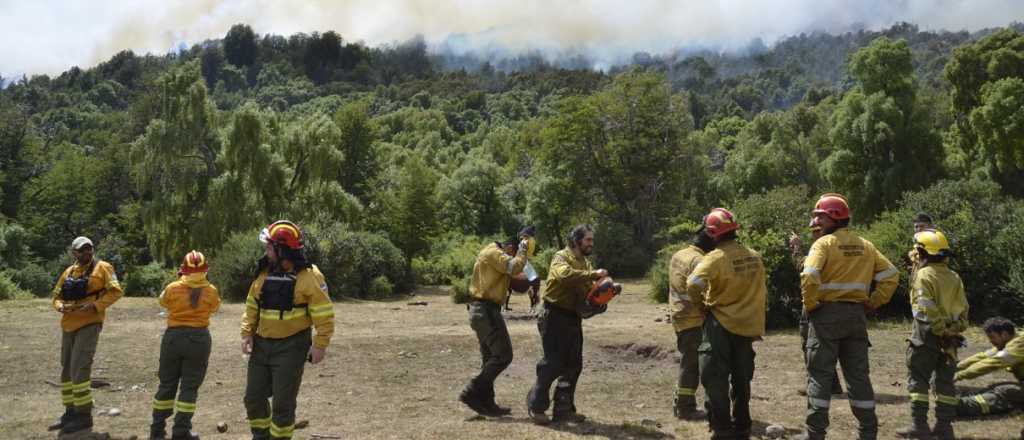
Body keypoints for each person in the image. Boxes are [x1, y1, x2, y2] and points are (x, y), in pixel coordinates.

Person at [794, 193, 899, 440]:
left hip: (825, 316)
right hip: (856, 317)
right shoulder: (865, 245)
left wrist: (811, 304)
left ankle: (815, 434)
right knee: (859, 377)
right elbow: (891, 274)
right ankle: (868, 433)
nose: (816, 222)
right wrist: (873, 302)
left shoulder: (824, 244)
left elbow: (809, 275)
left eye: (820, 217)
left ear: (834, 217)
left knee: (819, 375)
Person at [241, 221, 335, 440]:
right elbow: (252, 305)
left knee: (283, 404)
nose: (266, 250)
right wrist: (247, 333)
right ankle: (260, 436)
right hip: (261, 345)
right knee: (253, 398)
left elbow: (324, 314)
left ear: (282, 250)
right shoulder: (264, 272)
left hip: (292, 347)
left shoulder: (310, 277)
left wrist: (320, 345)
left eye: (269, 246)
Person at [685, 208, 767, 439]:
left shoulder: (715, 258)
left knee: (714, 377)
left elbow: (693, 284)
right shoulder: (754, 256)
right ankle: (742, 427)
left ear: (712, 233)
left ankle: (722, 429)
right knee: (742, 378)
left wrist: (701, 306)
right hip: (747, 326)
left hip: (720, 325)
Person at [526, 224, 609, 425]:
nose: (591, 243)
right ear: (576, 240)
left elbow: (589, 291)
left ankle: (563, 410)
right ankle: (536, 406)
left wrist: (603, 295)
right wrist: (594, 274)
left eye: (591, 240)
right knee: (553, 363)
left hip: (572, 318)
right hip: (553, 315)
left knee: (573, 365)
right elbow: (565, 276)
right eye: (588, 239)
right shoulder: (561, 257)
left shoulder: (585, 263)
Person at [895, 230, 968, 439]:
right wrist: (953, 330)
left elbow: (924, 307)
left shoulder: (924, 275)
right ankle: (944, 427)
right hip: (951, 338)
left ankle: (919, 425)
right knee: (945, 382)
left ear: (922, 252)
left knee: (918, 380)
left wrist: (940, 330)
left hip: (927, 335)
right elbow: (964, 309)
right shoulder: (954, 277)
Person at [48, 236, 124, 435]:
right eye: (82, 249)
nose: (87, 252)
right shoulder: (69, 272)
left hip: (90, 323)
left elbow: (116, 291)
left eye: (89, 248)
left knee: (80, 368)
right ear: (74, 252)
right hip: (68, 324)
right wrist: (60, 306)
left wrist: (96, 306)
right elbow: (56, 296)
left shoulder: (103, 268)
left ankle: (83, 416)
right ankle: (69, 412)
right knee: (66, 369)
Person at [150, 250, 222, 440]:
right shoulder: (211, 290)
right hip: (198, 340)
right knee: (189, 388)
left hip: (173, 339)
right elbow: (215, 307)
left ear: (183, 270)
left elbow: (162, 302)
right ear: (205, 270)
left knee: (166, 385)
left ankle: (157, 429)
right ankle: (181, 430)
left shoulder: (173, 287)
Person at [459, 234, 529, 416]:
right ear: (510, 248)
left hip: (482, 310)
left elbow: (518, 277)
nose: (512, 257)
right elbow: (514, 267)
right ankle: (471, 390)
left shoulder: (493, 255)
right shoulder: (494, 253)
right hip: (486, 310)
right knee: (503, 355)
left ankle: (486, 402)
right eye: (513, 253)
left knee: (489, 358)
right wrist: (523, 249)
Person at [789, 224, 844, 397]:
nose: (813, 234)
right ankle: (832, 385)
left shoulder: (821, 250)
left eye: (816, 231)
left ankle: (819, 385)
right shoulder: (837, 248)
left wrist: (796, 248)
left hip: (817, 305)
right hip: (835, 305)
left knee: (812, 346)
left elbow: (803, 267)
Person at [667, 225, 714, 420]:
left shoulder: (679, 255)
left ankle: (680, 402)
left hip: (679, 315)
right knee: (691, 365)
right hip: (693, 319)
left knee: (688, 361)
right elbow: (702, 291)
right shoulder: (700, 261)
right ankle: (685, 407)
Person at [953, 317, 1023, 418]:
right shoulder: (1012, 341)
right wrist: (956, 367)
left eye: (992, 337)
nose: (990, 341)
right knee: (998, 388)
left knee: (1005, 391)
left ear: (1004, 334)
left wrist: (959, 375)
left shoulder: (1020, 343)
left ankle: (963, 407)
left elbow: (994, 362)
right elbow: (984, 356)